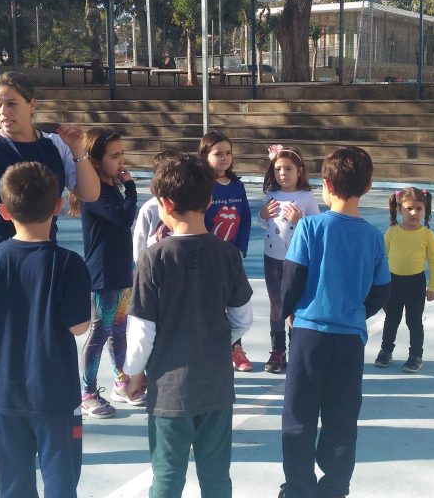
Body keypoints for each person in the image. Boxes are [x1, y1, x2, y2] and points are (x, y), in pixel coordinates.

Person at [0, 71, 99, 468]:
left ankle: (34, 426)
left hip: (42, 257)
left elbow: (90, 193)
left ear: (32, 105)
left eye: (12, 103)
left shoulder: (55, 145)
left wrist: (77, 149)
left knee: (41, 341)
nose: (4, 111)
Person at [123, 153, 253, 498]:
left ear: (164, 204)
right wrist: (217, 339)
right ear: (209, 200)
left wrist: (134, 372)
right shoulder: (228, 254)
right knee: (216, 477)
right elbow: (242, 317)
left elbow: (142, 329)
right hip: (216, 387)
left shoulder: (153, 258)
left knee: (167, 478)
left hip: (169, 390)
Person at [0, 161, 91, 497]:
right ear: (58, 205)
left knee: (13, 484)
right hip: (55, 394)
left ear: (4, 211)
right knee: (61, 480)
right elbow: (79, 326)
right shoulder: (68, 263)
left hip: (5, 391)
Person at [279, 146, 391, 498]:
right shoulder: (373, 236)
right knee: (342, 419)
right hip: (349, 340)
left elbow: (292, 278)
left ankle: (298, 488)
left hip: (309, 335)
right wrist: (354, 312)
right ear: (368, 186)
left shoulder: (310, 226)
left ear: (326, 185)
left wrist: (289, 311)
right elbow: (381, 291)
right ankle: (335, 487)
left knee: (299, 416)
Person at [70, 127, 139, 418]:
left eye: (122, 154)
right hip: (104, 275)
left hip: (121, 271)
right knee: (100, 331)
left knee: (119, 329)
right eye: (114, 156)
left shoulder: (111, 187)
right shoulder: (95, 191)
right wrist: (131, 187)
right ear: (96, 161)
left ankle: (121, 382)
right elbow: (123, 217)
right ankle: (87, 393)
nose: (121, 160)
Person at [258, 144, 319, 373]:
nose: (282, 173)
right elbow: (264, 224)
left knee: (295, 303)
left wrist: (299, 220)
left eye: (288, 169)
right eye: (278, 169)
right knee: (276, 304)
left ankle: (296, 348)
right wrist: (262, 215)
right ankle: (278, 349)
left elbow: (316, 229)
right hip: (271, 259)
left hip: (297, 261)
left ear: (300, 171)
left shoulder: (306, 197)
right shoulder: (271, 195)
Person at [198, 130, 253, 372]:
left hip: (232, 259)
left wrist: (240, 249)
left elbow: (246, 219)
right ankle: (209, 350)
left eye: (228, 153)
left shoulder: (237, 187)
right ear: (205, 155)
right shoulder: (202, 186)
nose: (224, 158)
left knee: (235, 305)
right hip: (208, 258)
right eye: (217, 153)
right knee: (211, 306)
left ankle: (235, 349)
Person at [374, 187, 434, 373]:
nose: (414, 213)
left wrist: (432, 286)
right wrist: (378, 284)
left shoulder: (427, 235)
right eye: (409, 208)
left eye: (419, 209)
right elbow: (382, 259)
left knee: (414, 321)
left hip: (416, 284)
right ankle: (386, 351)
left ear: (425, 210)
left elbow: (433, 262)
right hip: (393, 283)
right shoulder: (392, 232)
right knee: (391, 319)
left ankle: (415, 355)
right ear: (399, 209)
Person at [132, 150, 175, 262]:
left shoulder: (187, 205)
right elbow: (140, 240)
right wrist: (141, 265)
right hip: (155, 264)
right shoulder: (149, 208)